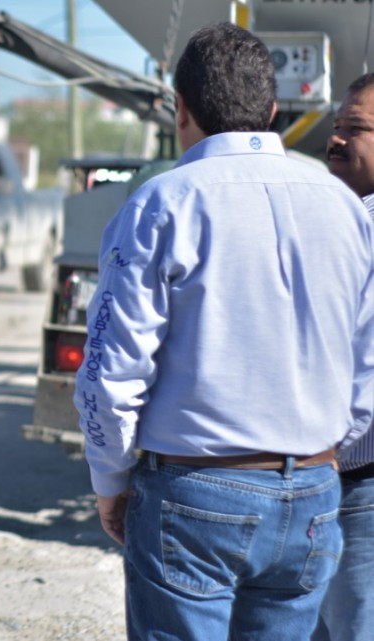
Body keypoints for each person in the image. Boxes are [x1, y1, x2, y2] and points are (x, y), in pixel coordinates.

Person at [72, 23, 374, 640]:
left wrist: (110, 480)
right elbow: (366, 362)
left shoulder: (163, 202)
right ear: (271, 110)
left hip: (194, 490)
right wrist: (320, 457)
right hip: (316, 491)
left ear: (180, 108)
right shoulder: (343, 205)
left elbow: (112, 370)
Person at [313, 72, 374, 641]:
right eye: (335, 126)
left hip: (355, 480)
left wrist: (320, 458)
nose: (334, 139)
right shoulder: (348, 218)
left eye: (354, 129)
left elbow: (368, 371)